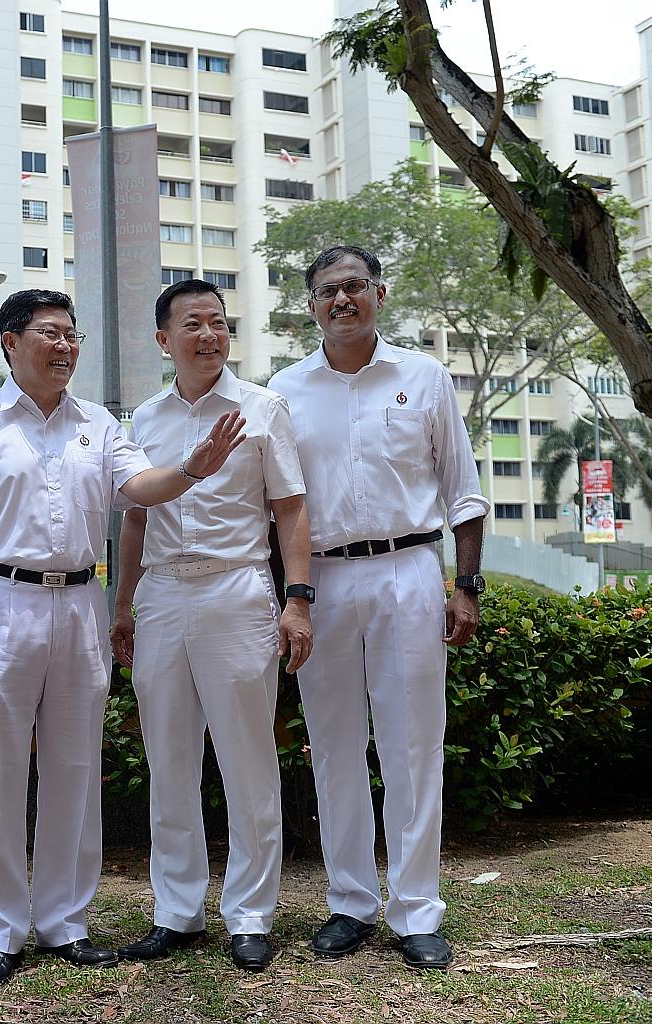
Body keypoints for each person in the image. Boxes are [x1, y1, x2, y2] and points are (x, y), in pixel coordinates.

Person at [0, 289, 247, 984]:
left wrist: (193, 467)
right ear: (12, 342)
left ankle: (64, 923)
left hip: (78, 606)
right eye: (52, 333)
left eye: (72, 334)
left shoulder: (97, 424)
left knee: (74, 772)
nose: (67, 346)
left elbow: (139, 488)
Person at [271, 245, 489, 970]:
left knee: (412, 744)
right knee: (333, 746)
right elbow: (278, 505)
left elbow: (463, 490)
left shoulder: (423, 378)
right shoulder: (286, 390)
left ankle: (418, 909)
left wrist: (466, 585)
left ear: (379, 294)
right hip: (322, 582)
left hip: (408, 571)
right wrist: (290, 597)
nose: (342, 300)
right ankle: (350, 903)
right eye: (328, 290)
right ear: (311, 306)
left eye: (355, 287)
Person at [109, 279, 313, 973]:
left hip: (237, 589)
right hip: (164, 595)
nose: (210, 335)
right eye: (193, 324)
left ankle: (251, 914)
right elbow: (135, 517)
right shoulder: (146, 417)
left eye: (219, 323)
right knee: (169, 762)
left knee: (247, 759)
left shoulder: (264, 408)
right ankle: (177, 912)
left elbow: (289, 508)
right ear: (164, 340)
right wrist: (122, 603)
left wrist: (297, 599)